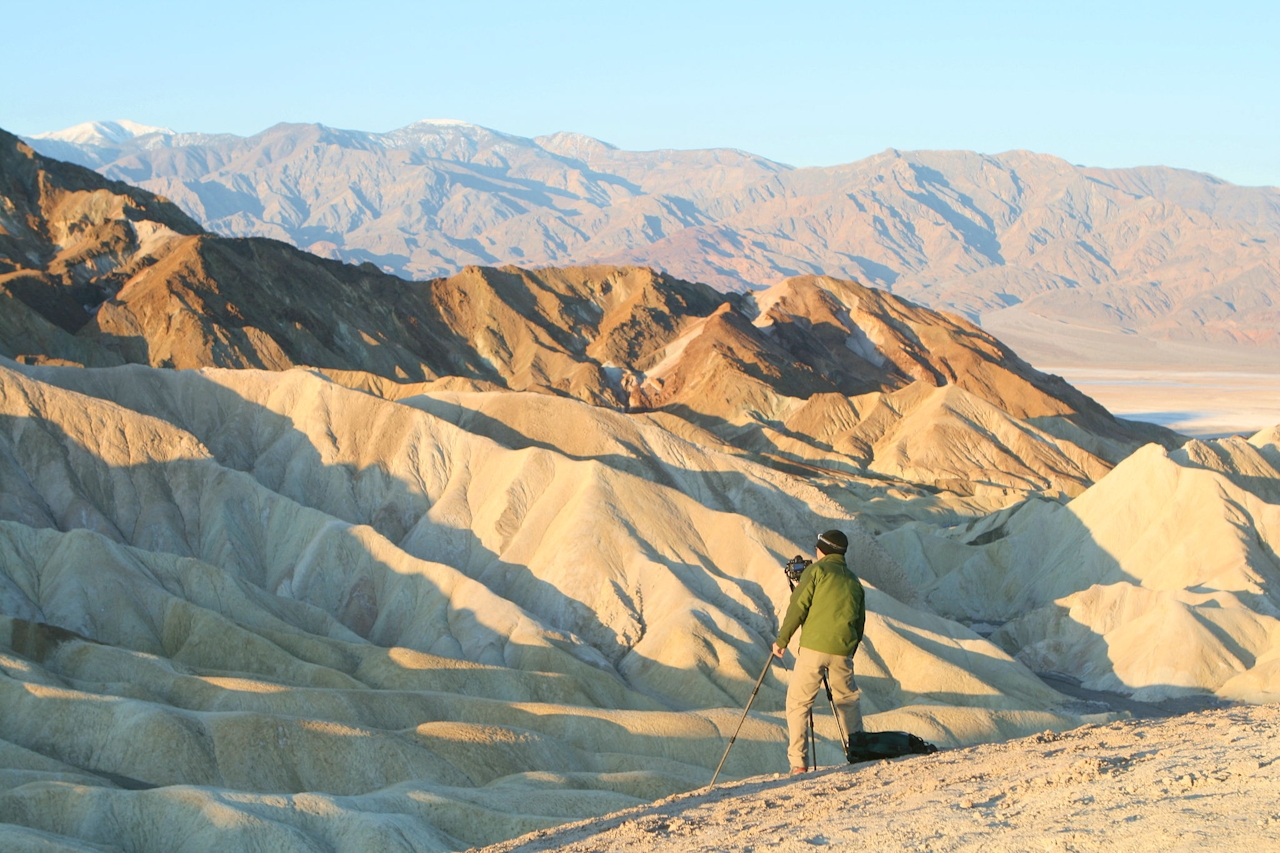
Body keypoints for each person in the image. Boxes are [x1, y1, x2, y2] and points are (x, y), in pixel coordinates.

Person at [773, 529, 865, 774]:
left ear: (823, 550)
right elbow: (860, 623)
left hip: (814, 648)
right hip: (843, 650)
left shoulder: (816, 571)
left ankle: (798, 764)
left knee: (798, 703)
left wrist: (782, 640)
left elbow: (798, 607)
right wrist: (847, 651)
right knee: (848, 702)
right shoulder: (853, 580)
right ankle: (859, 753)